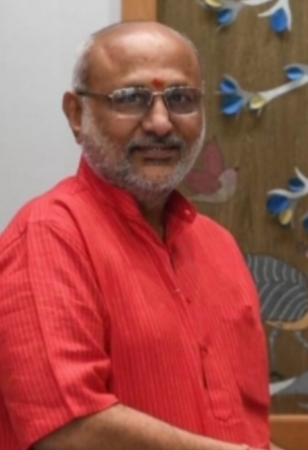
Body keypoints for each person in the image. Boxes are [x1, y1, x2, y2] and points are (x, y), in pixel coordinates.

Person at [0, 22, 275, 450]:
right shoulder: (49, 236)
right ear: (76, 115)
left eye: (181, 99)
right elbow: (67, 429)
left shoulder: (218, 246)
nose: (161, 123)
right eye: (131, 98)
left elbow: (244, 430)